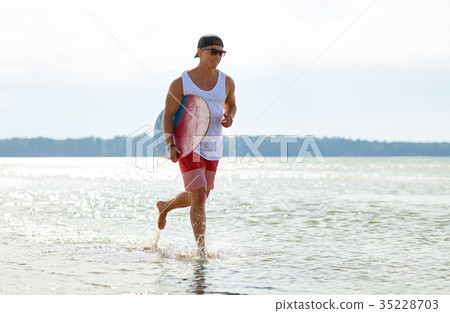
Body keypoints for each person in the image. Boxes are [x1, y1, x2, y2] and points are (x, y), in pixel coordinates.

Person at [157, 35, 237, 254]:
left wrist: (229, 115)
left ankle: (165, 207)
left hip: (213, 146)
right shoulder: (182, 83)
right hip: (188, 144)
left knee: (199, 195)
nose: (218, 56)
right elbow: (168, 115)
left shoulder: (227, 81)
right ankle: (201, 251)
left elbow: (231, 105)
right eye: (213, 51)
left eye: (221, 52)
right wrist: (170, 144)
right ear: (199, 52)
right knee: (199, 194)